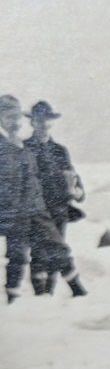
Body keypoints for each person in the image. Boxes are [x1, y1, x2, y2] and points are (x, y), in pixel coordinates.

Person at [0, 95, 85, 303]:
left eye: (16, 116)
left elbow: (52, 177)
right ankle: (17, 300)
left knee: (58, 248)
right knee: (20, 256)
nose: (14, 121)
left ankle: (78, 292)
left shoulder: (27, 146)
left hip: (41, 209)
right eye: (8, 117)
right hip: (14, 211)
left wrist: (75, 191)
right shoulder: (10, 146)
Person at [23, 101, 87, 294]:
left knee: (51, 251)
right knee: (45, 250)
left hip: (59, 208)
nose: (43, 124)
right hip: (35, 209)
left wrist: (78, 192)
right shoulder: (24, 149)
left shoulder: (59, 150)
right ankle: (72, 289)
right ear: (32, 122)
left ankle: (46, 295)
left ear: (51, 122)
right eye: (39, 120)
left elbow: (73, 177)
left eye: (47, 120)